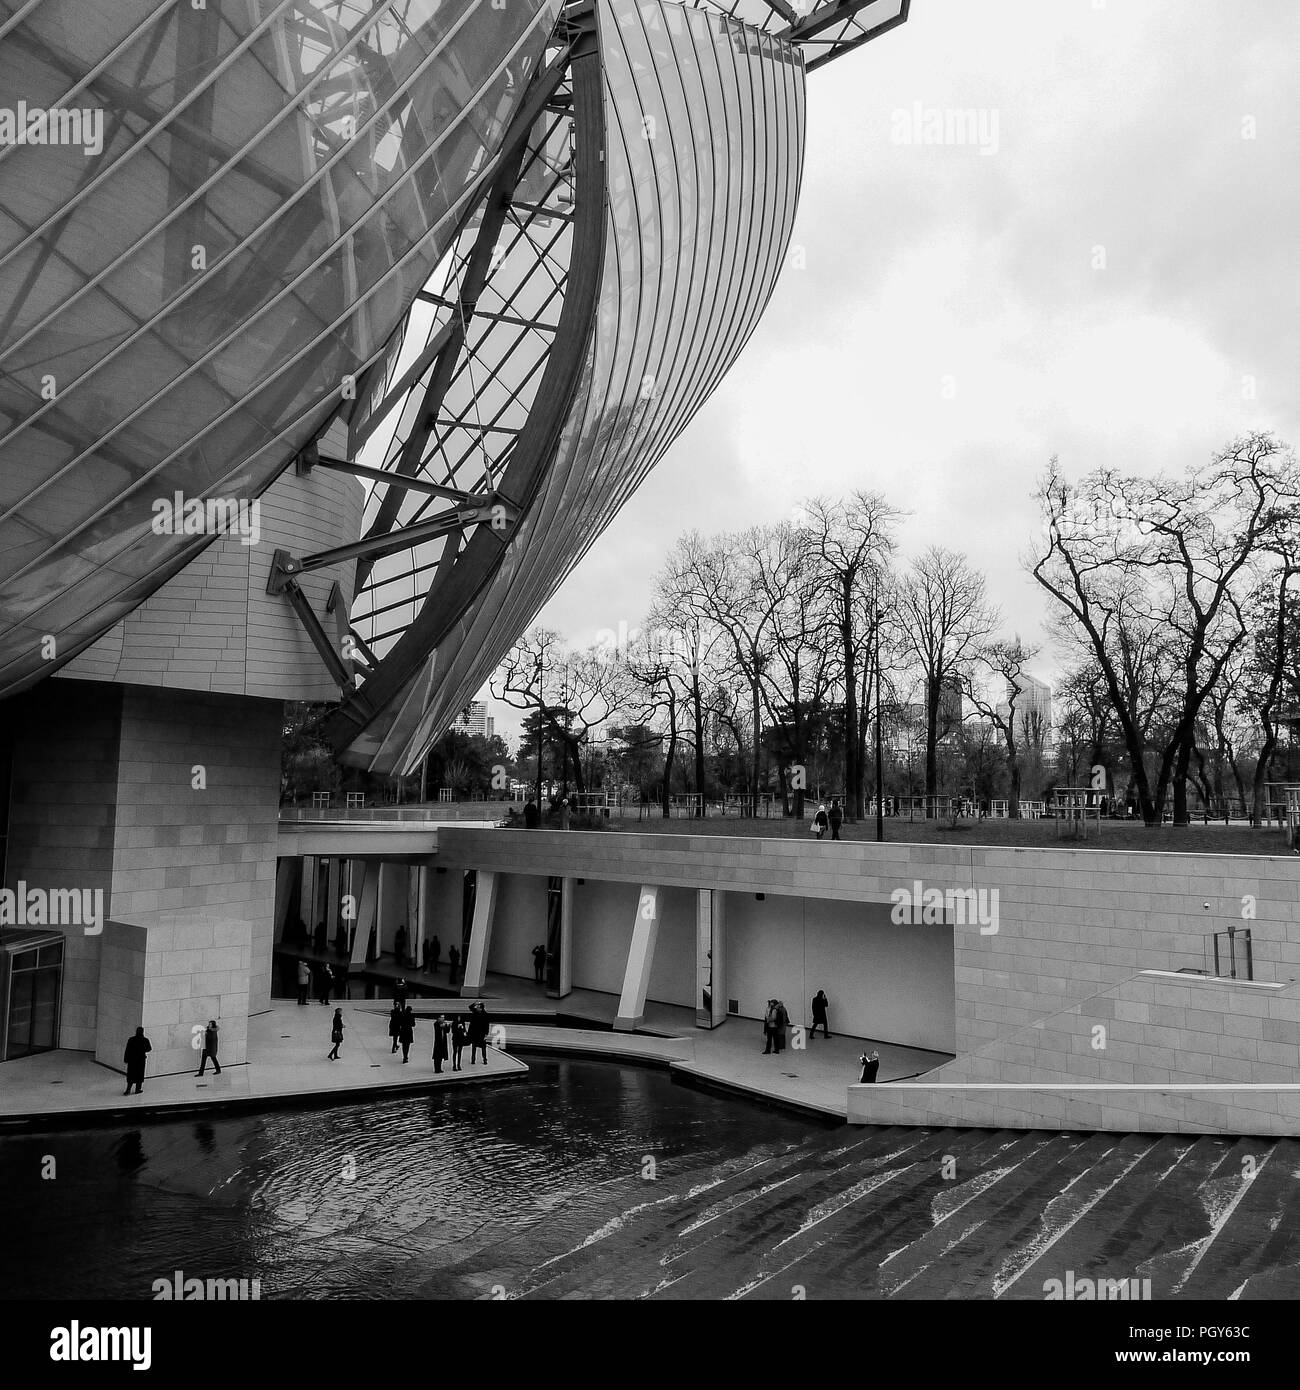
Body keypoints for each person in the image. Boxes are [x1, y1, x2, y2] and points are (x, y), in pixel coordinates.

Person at [123, 1025, 151, 1095]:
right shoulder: (145, 1040)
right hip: (141, 1060)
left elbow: (127, 1050)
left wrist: (126, 1059)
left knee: (131, 1074)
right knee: (140, 1074)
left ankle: (128, 1090)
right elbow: (149, 1049)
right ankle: (137, 1089)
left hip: (132, 1060)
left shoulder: (131, 1039)